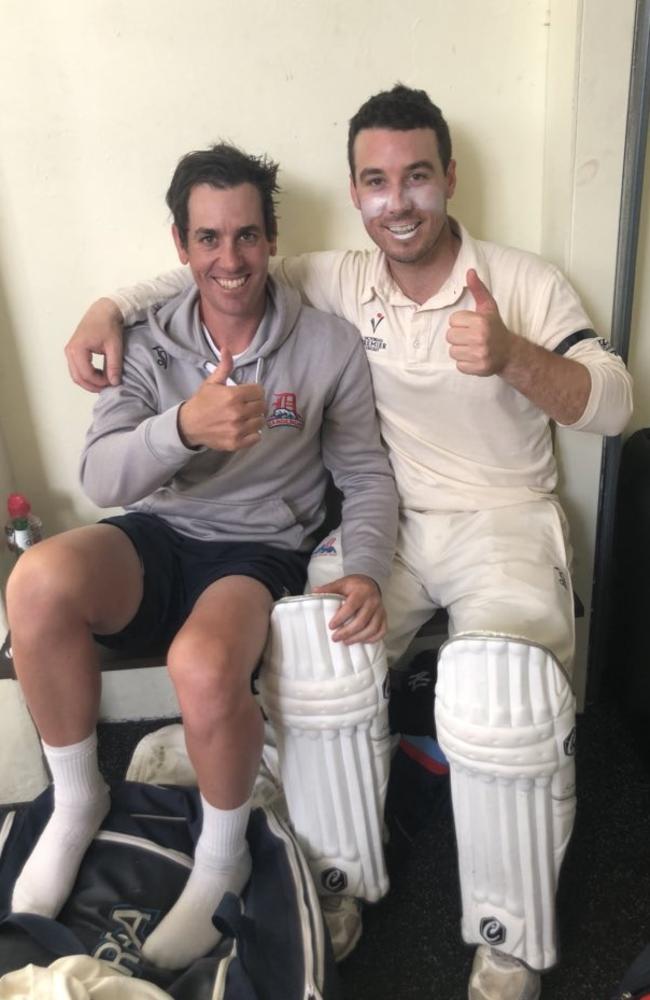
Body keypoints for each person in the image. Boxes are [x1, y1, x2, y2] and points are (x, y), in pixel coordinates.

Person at [64, 85, 633, 999]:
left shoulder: (523, 279)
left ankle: (509, 939)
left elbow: (616, 401)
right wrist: (105, 307)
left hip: (504, 519)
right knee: (317, 656)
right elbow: (216, 267)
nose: (396, 201)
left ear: (449, 177)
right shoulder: (335, 276)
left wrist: (514, 355)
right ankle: (336, 886)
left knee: (501, 698)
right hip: (391, 525)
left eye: (416, 176)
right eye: (375, 181)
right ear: (356, 190)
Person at [7, 141, 398, 972]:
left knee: (203, 663)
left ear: (271, 238)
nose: (231, 260)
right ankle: (78, 801)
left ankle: (223, 856)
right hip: (160, 532)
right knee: (36, 580)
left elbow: (364, 471)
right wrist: (183, 427)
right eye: (210, 239)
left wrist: (363, 562)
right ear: (180, 246)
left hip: (259, 547)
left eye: (248, 236)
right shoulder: (146, 340)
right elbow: (101, 473)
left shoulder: (326, 344)